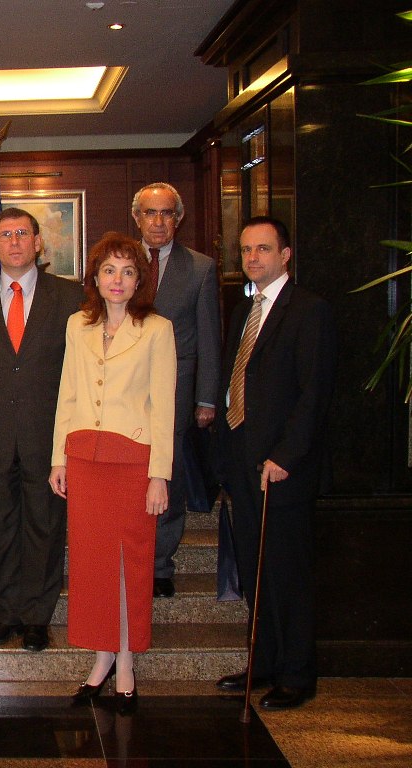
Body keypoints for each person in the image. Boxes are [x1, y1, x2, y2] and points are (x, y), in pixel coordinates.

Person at [49, 232, 176, 712]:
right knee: (91, 567)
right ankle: (100, 659)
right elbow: (68, 395)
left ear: (139, 279)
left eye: (127, 271)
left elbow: (164, 405)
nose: (117, 280)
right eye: (109, 270)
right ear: (95, 278)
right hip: (85, 457)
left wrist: (158, 474)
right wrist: (58, 459)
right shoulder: (76, 325)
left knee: (129, 566)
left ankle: (125, 663)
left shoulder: (157, 329)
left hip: (132, 463)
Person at [214, 217, 336, 711]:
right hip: (242, 461)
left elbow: (314, 394)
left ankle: (296, 673)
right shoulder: (245, 308)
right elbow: (234, 380)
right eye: (246, 250)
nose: (253, 258)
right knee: (253, 566)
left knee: (286, 571)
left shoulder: (310, 311)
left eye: (263, 249)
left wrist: (285, 456)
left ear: (285, 254)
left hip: (283, 468)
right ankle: (262, 660)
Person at [0, 208, 83, 653]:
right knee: (1, 528)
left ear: (37, 243)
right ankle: (6, 614)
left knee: (45, 528)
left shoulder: (70, 298)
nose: (13, 241)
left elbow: (78, 372)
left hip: (48, 437)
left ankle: (37, 618)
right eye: (4, 235)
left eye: (22, 234)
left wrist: (72, 440)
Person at [131, 182, 221, 598]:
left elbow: (208, 337)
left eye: (167, 213)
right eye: (150, 213)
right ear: (137, 218)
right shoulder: (119, 261)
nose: (158, 221)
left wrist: (205, 397)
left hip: (177, 388)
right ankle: (131, 557)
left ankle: (160, 566)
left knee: (166, 476)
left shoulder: (201, 268)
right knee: (133, 476)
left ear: (178, 219)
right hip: (125, 390)